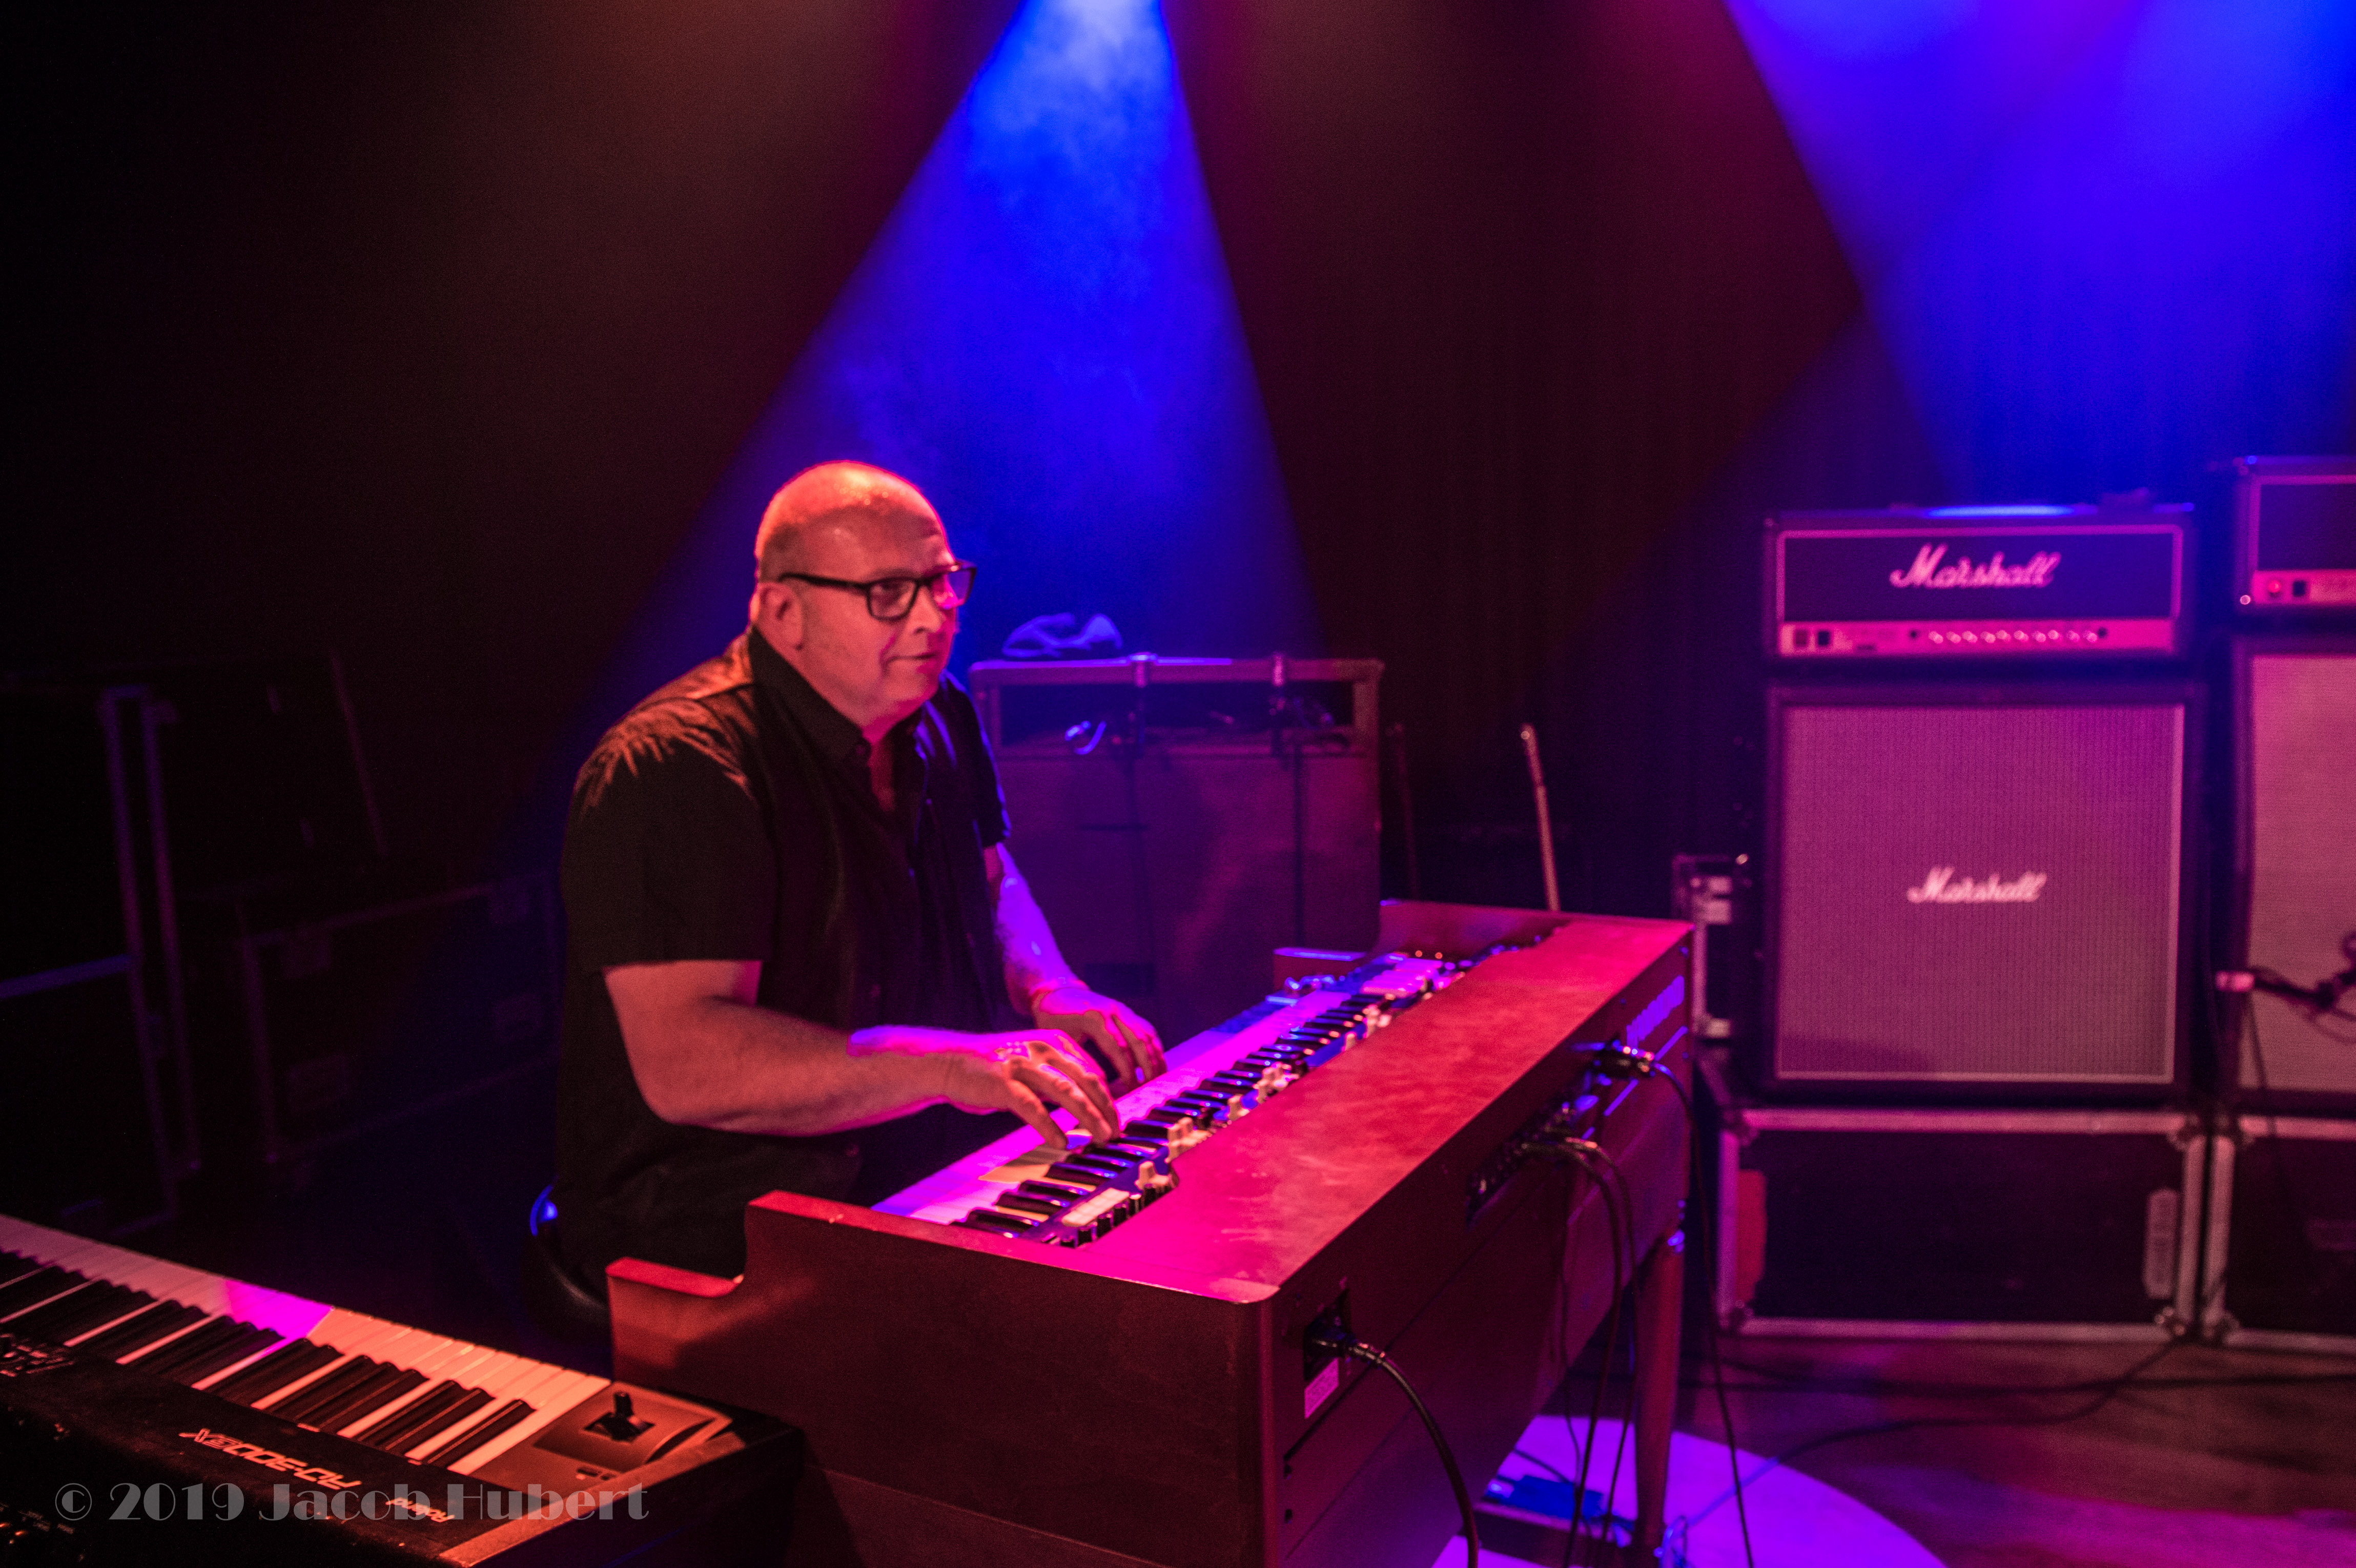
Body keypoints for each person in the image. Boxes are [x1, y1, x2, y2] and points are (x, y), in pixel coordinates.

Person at [552, 461, 1164, 1285]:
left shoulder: (937, 710)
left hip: (921, 1178)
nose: (933, 617)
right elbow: (688, 1065)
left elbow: (990, 878)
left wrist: (1048, 986)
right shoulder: (677, 764)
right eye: (888, 593)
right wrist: (945, 1065)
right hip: (720, 1230)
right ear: (784, 612)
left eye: (941, 584)